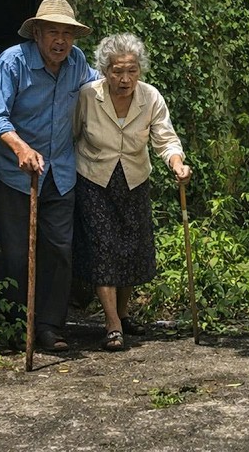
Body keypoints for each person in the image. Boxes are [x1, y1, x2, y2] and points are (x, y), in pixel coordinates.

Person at [0, 0, 101, 352]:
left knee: (59, 250)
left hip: (60, 172)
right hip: (13, 173)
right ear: (36, 33)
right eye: (53, 32)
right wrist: (21, 148)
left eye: (67, 33)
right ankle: (17, 326)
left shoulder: (77, 62)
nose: (61, 41)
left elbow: (101, 88)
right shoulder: (13, 62)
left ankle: (50, 326)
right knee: (15, 252)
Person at [73, 33, 191, 351]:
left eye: (131, 71)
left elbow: (165, 139)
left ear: (140, 70)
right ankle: (111, 323)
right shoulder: (87, 96)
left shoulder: (150, 97)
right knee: (103, 249)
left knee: (129, 249)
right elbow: (71, 134)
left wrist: (177, 164)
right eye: (117, 71)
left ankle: (123, 315)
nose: (124, 79)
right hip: (94, 180)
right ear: (104, 70)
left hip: (135, 180)